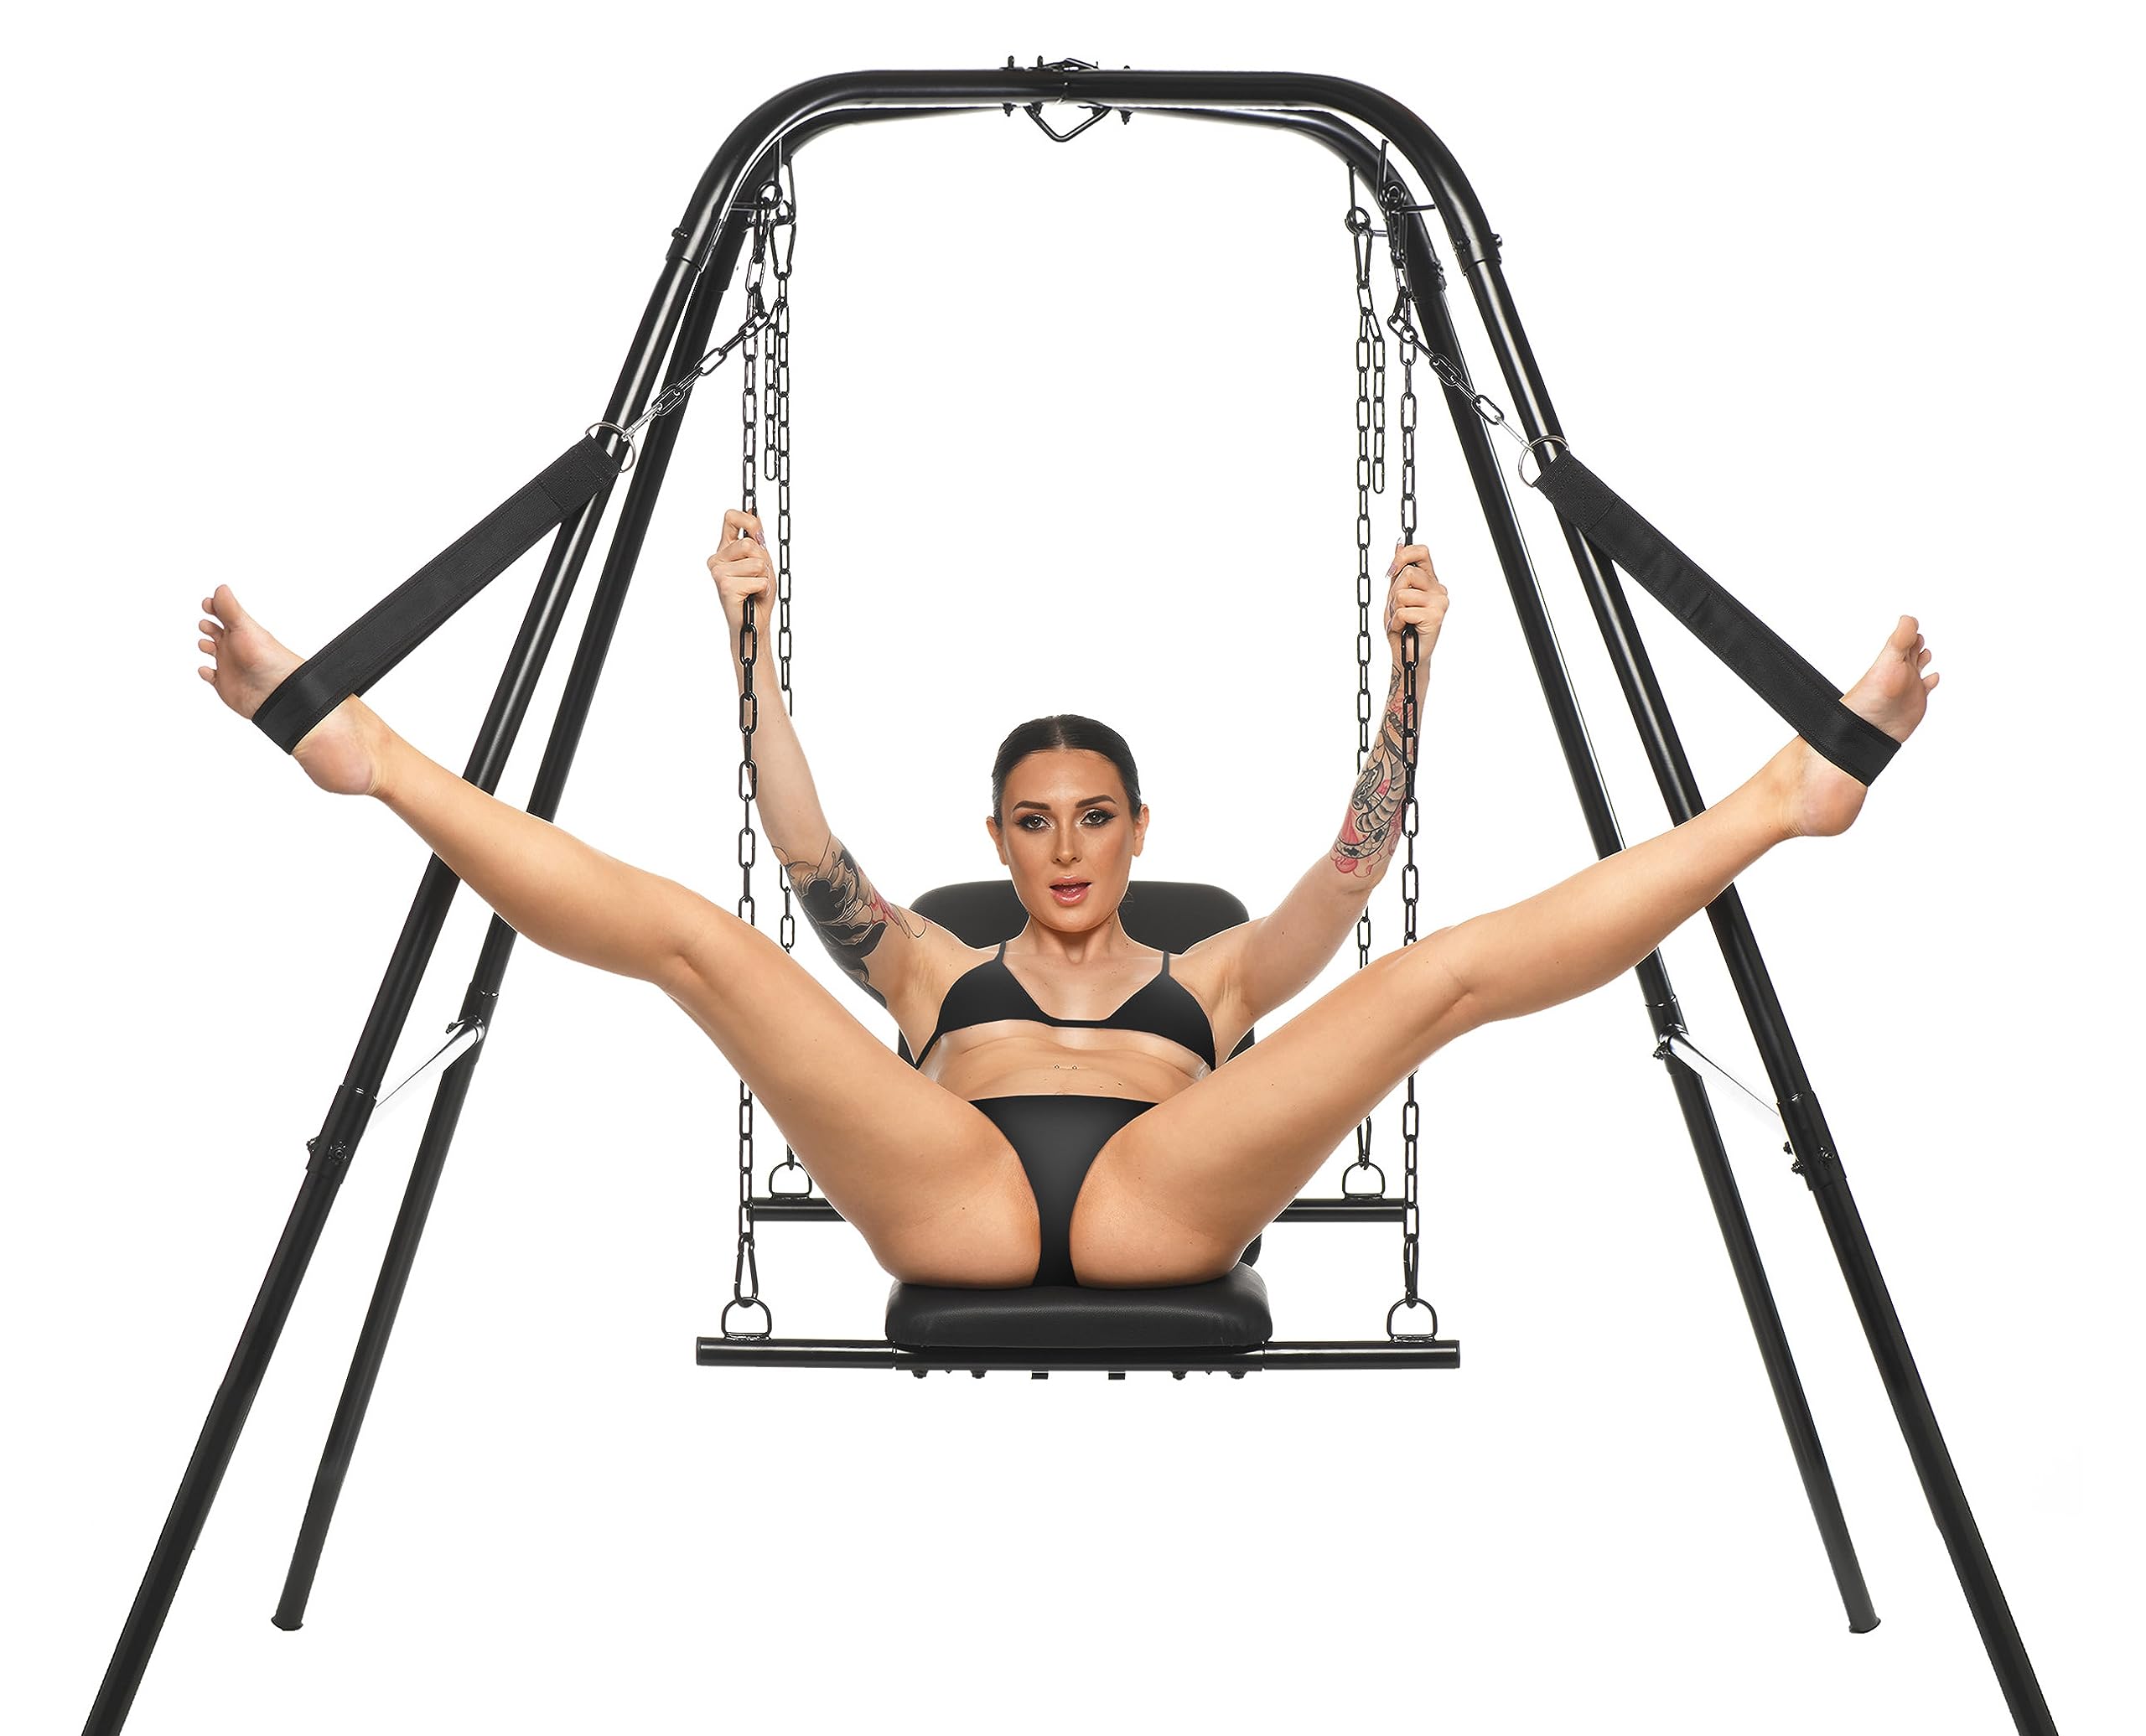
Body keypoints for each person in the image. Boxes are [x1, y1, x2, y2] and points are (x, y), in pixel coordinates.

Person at [193, 512, 1939, 1291]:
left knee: (1435, 977)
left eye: (1095, 818)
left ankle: (1781, 800)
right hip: (948, 1191)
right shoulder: (927, 964)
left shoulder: (1221, 972)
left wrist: (1409, 677)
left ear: (1137, 827)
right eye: (1033, 824)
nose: (1067, 848)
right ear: (998, 839)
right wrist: (751, 649)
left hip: (1157, 1200)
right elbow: (802, 847)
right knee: (697, 943)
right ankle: (375, 757)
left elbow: (1358, 858)